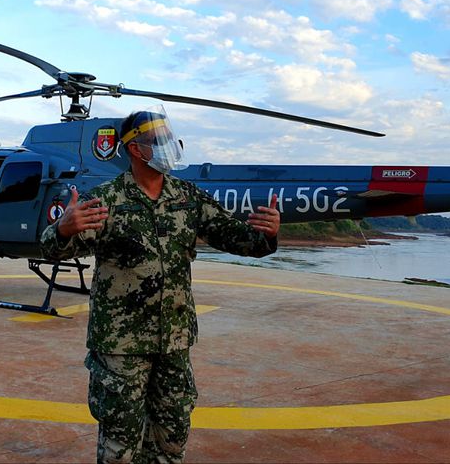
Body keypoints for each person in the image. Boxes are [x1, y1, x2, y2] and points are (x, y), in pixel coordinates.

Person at [40, 107, 280, 463]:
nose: (170, 145)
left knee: (172, 436)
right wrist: (62, 229)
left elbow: (241, 239)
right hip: (121, 347)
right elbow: (54, 248)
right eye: (159, 140)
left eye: (169, 137)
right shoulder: (107, 200)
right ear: (135, 149)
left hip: (174, 343)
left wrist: (268, 234)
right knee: (121, 444)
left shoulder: (188, 198)